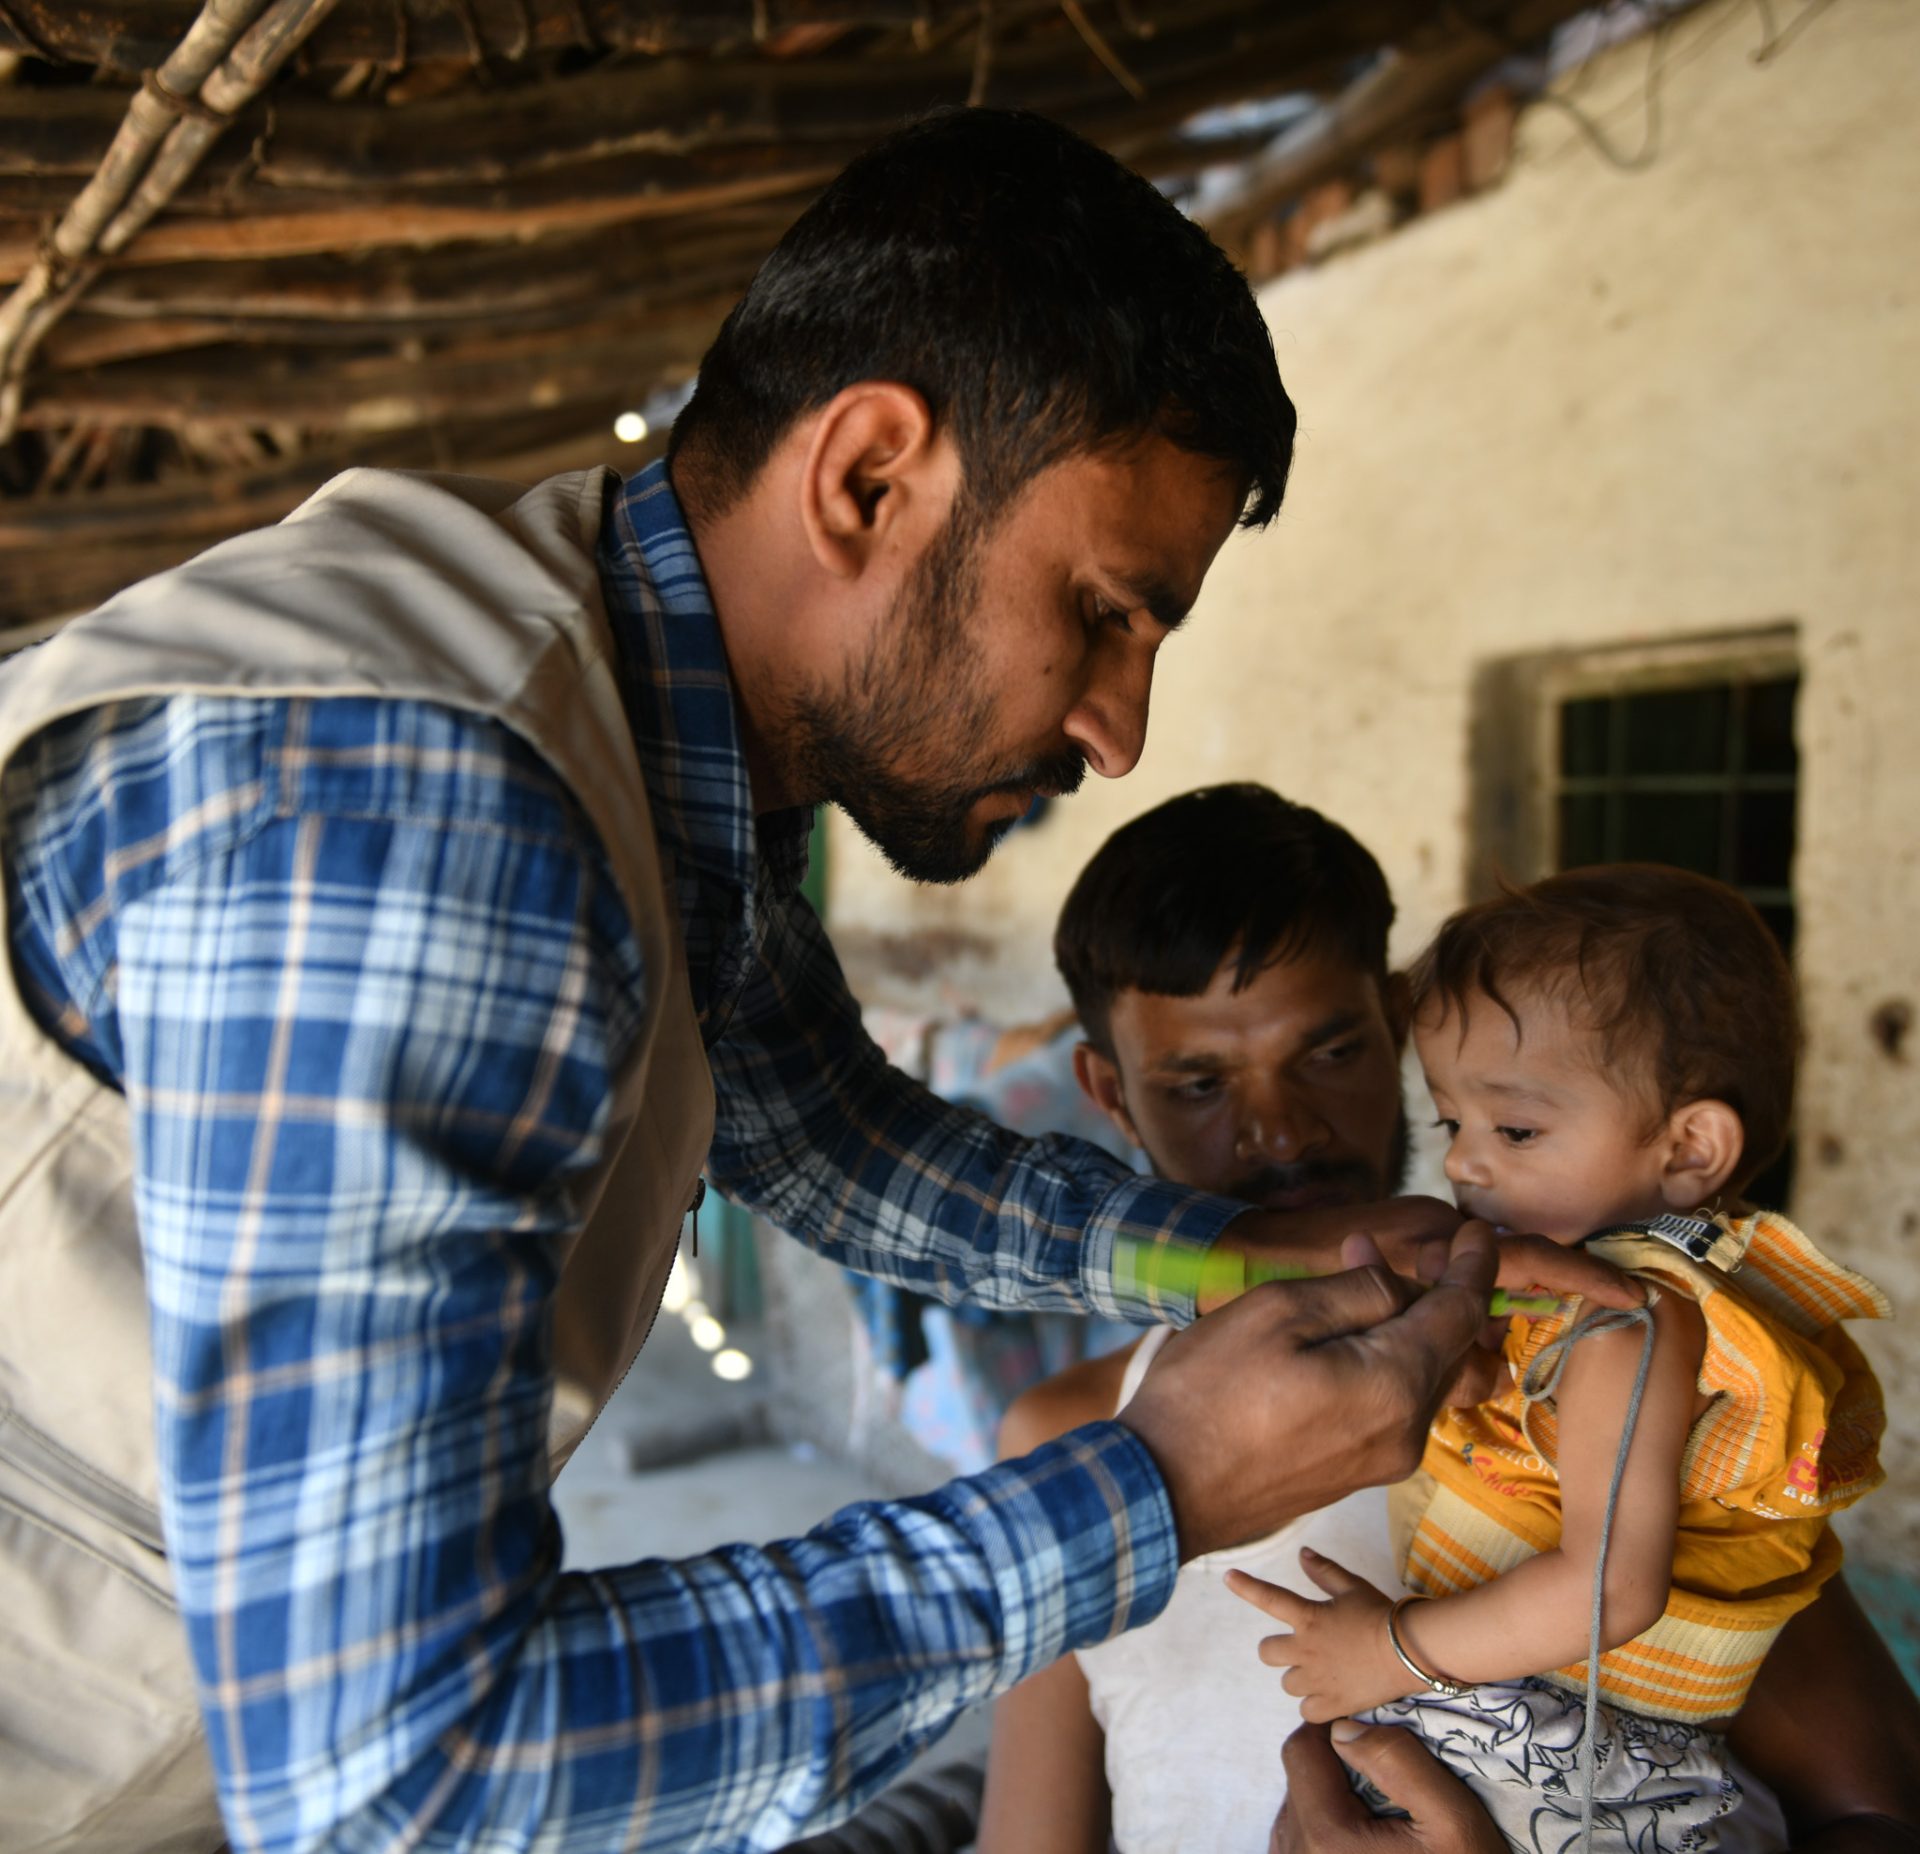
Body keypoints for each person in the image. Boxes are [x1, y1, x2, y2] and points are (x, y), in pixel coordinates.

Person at [0, 109, 1624, 1854]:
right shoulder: (428, 808)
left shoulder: (650, 733)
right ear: (866, 479)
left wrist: (1226, 1247)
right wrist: (1155, 1485)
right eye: (1098, 610)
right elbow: (406, 1768)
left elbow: (821, 1130)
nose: (1120, 726)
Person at [977, 793, 1920, 1854]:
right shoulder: (1071, 1443)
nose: (1280, 1127)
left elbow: (1878, 1808)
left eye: (1331, 1053)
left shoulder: (1579, 1361)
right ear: (1107, 1090)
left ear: (1395, 1021)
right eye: (1198, 1082)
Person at [1231, 867, 1893, 1853]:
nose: (1461, 1163)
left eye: (1517, 1129)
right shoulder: (1564, 1302)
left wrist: (1391, 1650)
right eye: (1453, 1123)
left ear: (1689, 1149)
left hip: (1587, 1784)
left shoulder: (1632, 1320)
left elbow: (1609, 1591)